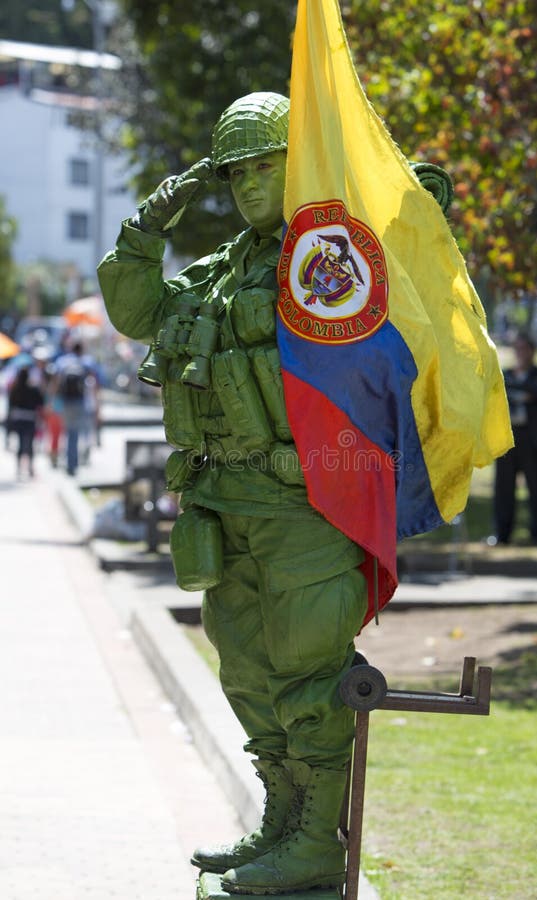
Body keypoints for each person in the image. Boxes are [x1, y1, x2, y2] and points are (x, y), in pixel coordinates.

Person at [98, 92, 371, 896]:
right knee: (248, 674)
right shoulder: (223, 270)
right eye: (237, 173)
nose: (250, 186)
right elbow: (138, 309)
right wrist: (147, 228)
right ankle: (281, 827)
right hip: (223, 507)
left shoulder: (335, 257)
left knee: (309, 675)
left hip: (303, 509)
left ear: (302, 163)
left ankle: (316, 843)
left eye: (266, 166)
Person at [491, 332, 537, 545]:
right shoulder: (504, 375)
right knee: (503, 489)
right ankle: (503, 534)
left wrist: (518, 392)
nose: (520, 353)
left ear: (532, 351)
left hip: (533, 440)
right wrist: (525, 395)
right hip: (508, 439)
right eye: (517, 349)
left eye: (524, 348)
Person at [51, 341, 98, 476]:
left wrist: (53, 401)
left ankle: (70, 462)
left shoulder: (62, 362)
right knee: (76, 433)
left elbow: (56, 382)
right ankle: (73, 463)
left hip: (65, 402)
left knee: (68, 432)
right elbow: (94, 383)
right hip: (80, 402)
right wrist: (96, 403)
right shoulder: (87, 362)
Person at [7, 365, 45, 480]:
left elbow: (11, 405)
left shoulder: (15, 388)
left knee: (20, 444)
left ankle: (19, 468)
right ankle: (30, 468)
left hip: (18, 419)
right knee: (29, 445)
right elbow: (41, 402)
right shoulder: (33, 388)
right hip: (30, 419)